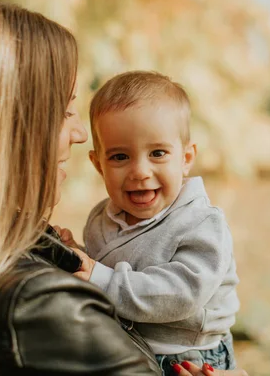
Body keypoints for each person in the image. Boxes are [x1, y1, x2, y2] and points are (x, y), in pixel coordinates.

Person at [0, 0, 248, 376]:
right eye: (65, 111)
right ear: (5, 130)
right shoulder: (42, 307)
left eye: (158, 153)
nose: (80, 133)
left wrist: (69, 255)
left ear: (186, 156)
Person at [59, 71, 240, 376]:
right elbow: (103, 268)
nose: (140, 171)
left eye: (157, 153)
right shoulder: (102, 218)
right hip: (127, 346)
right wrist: (74, 255)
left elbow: (181, 294)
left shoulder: (201, 224)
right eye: (119, 157)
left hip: (188, 356)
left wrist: (98, 277)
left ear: (185, 158)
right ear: (97, 164)